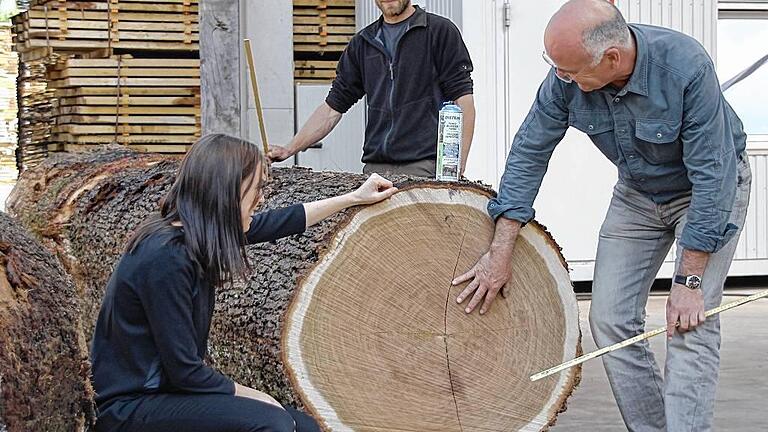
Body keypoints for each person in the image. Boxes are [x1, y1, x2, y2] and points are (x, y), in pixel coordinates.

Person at [452, 1, 750, 431]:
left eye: (571, 71)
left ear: (612, 58)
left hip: (708, 192)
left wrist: (689, 283)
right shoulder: (564, 77)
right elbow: (529, 153)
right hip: (638, 192)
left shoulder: (684, 66)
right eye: (555, 67)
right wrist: (501, 248)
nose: (560, 78)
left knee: (688, 324)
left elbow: (714, 178)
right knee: (609, 320)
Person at [90, 134, 397, 432]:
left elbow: (278, 222)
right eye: (256, 189)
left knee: (305, 426)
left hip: (166, 392)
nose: (262, 198)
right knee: (273, 422)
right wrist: (261, 397)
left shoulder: (199, 230)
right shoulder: (165, 257)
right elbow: (185, 371)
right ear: (226, 191)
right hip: (132, 405)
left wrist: (353, 197)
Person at [269, 0, 475, 177]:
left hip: (425, 167)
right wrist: (289, 148)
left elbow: (463, 101)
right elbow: (332, 109)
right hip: (375, 170)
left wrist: (458, 166)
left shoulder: (439, 32)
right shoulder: (362, 43)